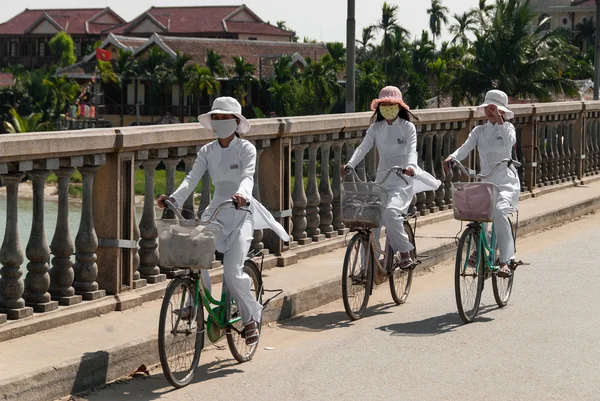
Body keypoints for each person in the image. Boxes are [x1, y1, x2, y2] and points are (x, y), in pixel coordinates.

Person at [157, 96, 289, 346]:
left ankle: (250, 317)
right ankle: (193, 303)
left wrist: (242, 195)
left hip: (240, 210)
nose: (218, 122)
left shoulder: (246, 149)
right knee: (194, 253)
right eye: (215, 117)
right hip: (216, 208)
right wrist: (173, 198)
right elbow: (191, 179)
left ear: (236, 121)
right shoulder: (207, 151)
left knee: (231, 273)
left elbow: (248, 176)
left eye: (223, 117)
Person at [341, 86, 440, 269]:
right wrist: (350, 164)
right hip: (381, 181)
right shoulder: (376, 128)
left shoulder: (407, 127)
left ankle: (404, 251)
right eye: (383, 104)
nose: (387, 107)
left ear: (399, 106)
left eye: (391, 104)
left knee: (391, 214)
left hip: (402, 181)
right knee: (370, 221)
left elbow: (412, 150)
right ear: (378, 107)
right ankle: (368, 267)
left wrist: (410, 167)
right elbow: (363, 148)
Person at [444, 89, 520, 278]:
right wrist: (452, 157)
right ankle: (481, 246)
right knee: (475, 215)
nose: (490, 111)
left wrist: (501, 121)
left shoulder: (508, 128)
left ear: (502, 110)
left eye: (494, 108)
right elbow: (466, 147)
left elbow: (510, 141)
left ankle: (505, 260)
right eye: (488, 107)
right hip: (486, 181)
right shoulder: (479, 131)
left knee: (500, 211)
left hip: (505, 181)